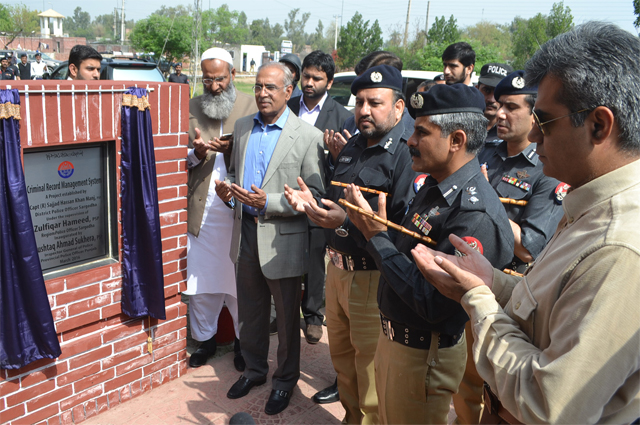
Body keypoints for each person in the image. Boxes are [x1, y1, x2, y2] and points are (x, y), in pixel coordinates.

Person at [412, 22, 640, 424]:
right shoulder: (591, 206)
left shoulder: (619, 246)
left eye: (546, 121)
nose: (533, 134)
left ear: (599, 126)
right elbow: (550, 308)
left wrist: (478, 301)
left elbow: (549, 405)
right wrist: (492, 282)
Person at [344, 84, 514, 424]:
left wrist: (376, 237)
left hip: (422, 355)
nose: (410, 140)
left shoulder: (473, 215)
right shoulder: (436, 185)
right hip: (398, 342)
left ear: (457, 141)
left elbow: (432, 304)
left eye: (422, 132)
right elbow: (409, 253)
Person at [285, 64, 418, 424]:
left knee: (371, 372)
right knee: (343, 364)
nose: (363, 110)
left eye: (375, 102)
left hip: (373, 278)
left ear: (399, 107)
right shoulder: (353, 144)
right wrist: (312, 205)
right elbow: (337, 198)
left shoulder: (405, 155)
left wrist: (345, 222)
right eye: (359, 102)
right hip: (338, 272)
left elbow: (404, 234)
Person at [453, 69, 564, 425]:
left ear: (535, 116)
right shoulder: (485, 152)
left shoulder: (548, 169)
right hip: (472, 281)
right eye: (498, 105)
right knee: (464, 383)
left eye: (511, 107)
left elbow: (530, 248)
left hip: (511, 294)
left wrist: (489, 200)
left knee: (498, 390)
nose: (499, 114)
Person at [215, 62, 325, 416]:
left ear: (288, 91)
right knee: (250, 311)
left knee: (288, 319)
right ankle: (255, 370)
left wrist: (271, 203)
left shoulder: (307, 136)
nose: (262, 93)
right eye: (259, 87)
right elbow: (235, 171)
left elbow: (316, 197)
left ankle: (284, 381)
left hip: (283, 239)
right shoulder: (243, 126)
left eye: (270, 88)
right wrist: (227, 189)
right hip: (245, 231)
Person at [185, 48, 258, 371]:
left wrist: (233, 149)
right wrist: (197, 153)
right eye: (207, 79)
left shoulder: (251, 106)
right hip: (202, 212)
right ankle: (205, 342)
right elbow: (177, 158)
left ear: (231, 74)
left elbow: (263, 155)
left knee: (240, 286)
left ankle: (243, 345)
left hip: (238, 211)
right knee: (202, 286)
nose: (213, 86)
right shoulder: (190, 108)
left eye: (220, 79)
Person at [286, 50, 352, 345]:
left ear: (330, 81)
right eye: (306, 76)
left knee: (314, 259)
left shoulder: (342, 116)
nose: (309, 83)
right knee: (285, 255)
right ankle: (284, 313)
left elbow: (349, 165)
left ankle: (313, 316)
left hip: (320, 197)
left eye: (317, 78)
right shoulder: (286, 108)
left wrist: (337, 156)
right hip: (286, 194)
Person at [476, 63, 513, 147]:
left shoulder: (511, 134)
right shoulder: (463, 125)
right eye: (487, 90)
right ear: (477, 88)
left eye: (498, 93)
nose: (492, 99)